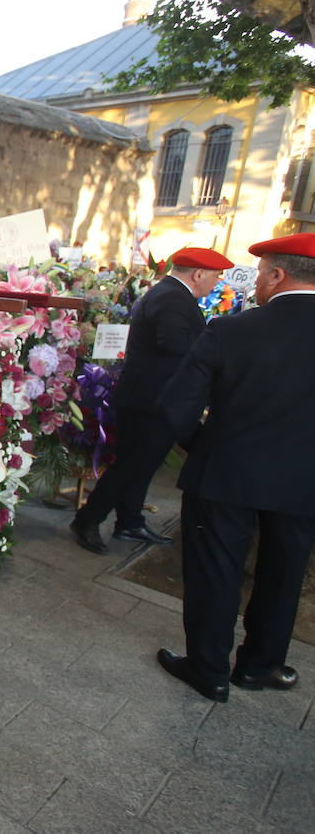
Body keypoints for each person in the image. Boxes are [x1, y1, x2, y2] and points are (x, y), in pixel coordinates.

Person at [156, 233, 315, 702]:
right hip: (304, 479)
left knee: (216, 571)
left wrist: (203, 447)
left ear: (276, 275)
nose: (258, 283)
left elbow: (176, 408)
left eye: (262, 272)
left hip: (226, 471)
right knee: (286, 572)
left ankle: (209, 669)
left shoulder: (231, 330)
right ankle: (261, 665)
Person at [70, 246, 232, 554]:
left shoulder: (172, 294)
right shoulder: (172, 298)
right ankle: (87, 519)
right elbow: (174, 344)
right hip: (150, 401)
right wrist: (215, 346)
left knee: (142, 465)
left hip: (153, 398)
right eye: (215, 276)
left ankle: (129, 522)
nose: (217, 283)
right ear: (198, 274)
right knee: (132, 465)